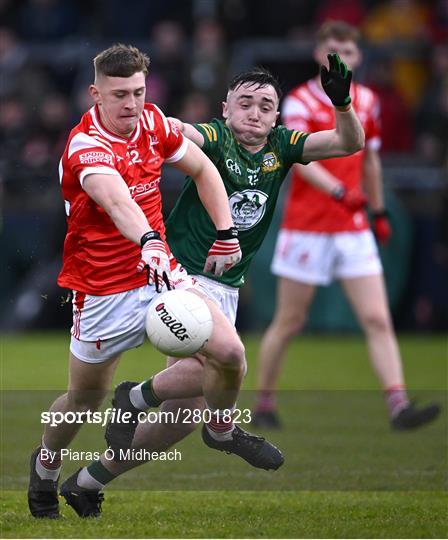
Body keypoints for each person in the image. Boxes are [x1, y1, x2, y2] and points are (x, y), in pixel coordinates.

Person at [57, 52, 369, 518]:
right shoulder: (215, 137)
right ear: (225, 108)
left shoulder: (283, 146)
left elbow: (348, 143)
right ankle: (173, 410)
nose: (255, 113)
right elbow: (180, 131)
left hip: (228, 281)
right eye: (245, 103)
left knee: (184, 416)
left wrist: (342, 102)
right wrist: (143, 117)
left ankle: (88, 479)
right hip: (181, 273)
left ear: (277, 115)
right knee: (226, 362)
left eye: (266, 105)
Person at [28, 42, 274, 519]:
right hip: (101, 290)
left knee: (231, 355)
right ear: (95, 94)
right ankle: (46, 462)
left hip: (160, 274)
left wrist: (226, 233)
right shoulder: (85, 146)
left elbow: (203, 168)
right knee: (83, 401)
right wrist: (147, 237)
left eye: (139, 92)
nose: (131, 105)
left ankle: (218, 428)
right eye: (119, 95)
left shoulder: (155, 122)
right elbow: (117, 200)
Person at [252, 20, 441, 430]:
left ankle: (398, 405)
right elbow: (299, 160)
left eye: (350, 52)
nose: (341, 57)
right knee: (289, 321)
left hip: (352, 226)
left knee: (377, 318)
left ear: (358, 57)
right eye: (334, 49)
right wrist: (340, 192)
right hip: (308, 227)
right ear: (319, 53)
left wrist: (378, 210)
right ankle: (263, 402)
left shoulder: (367, 100)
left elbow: (369, 159)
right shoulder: (300, 100)